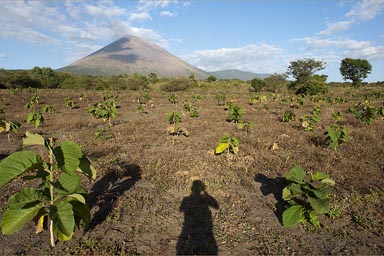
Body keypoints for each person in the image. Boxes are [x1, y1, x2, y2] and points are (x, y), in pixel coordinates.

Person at [176, 180, 219, 255]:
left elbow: (181, 209)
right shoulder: (204, 199)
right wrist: (206, 194)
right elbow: (216, 206)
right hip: (203, 226)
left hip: (191, 225)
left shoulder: (186, 199)